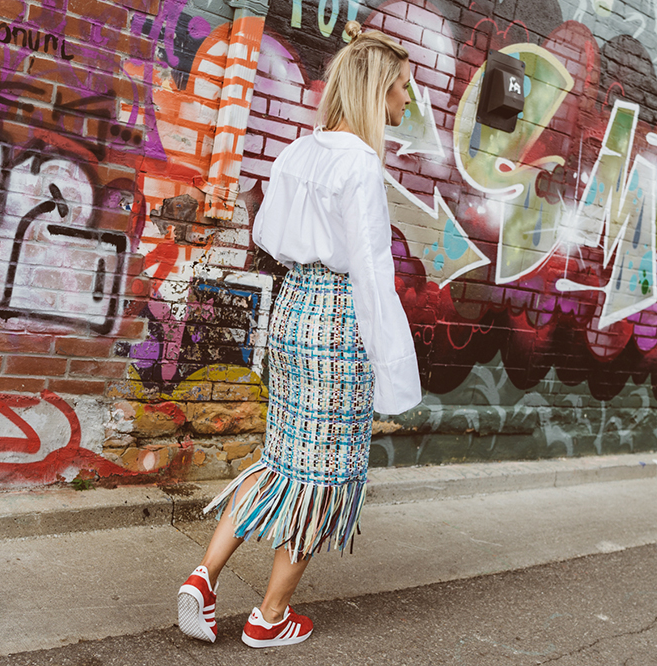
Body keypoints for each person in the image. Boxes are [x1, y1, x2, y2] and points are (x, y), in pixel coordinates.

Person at [176, 20, 421, 649]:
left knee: (283, 457)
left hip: (291, 312)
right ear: (376, 92)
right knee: (326, 474)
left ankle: (203, 580)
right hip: (338, 322)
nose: (405, 103)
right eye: (400, 90)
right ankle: (269, 617)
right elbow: (370, 272)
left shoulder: (297, 152)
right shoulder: (361, 165)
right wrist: (393, 369)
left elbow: (266, 239)